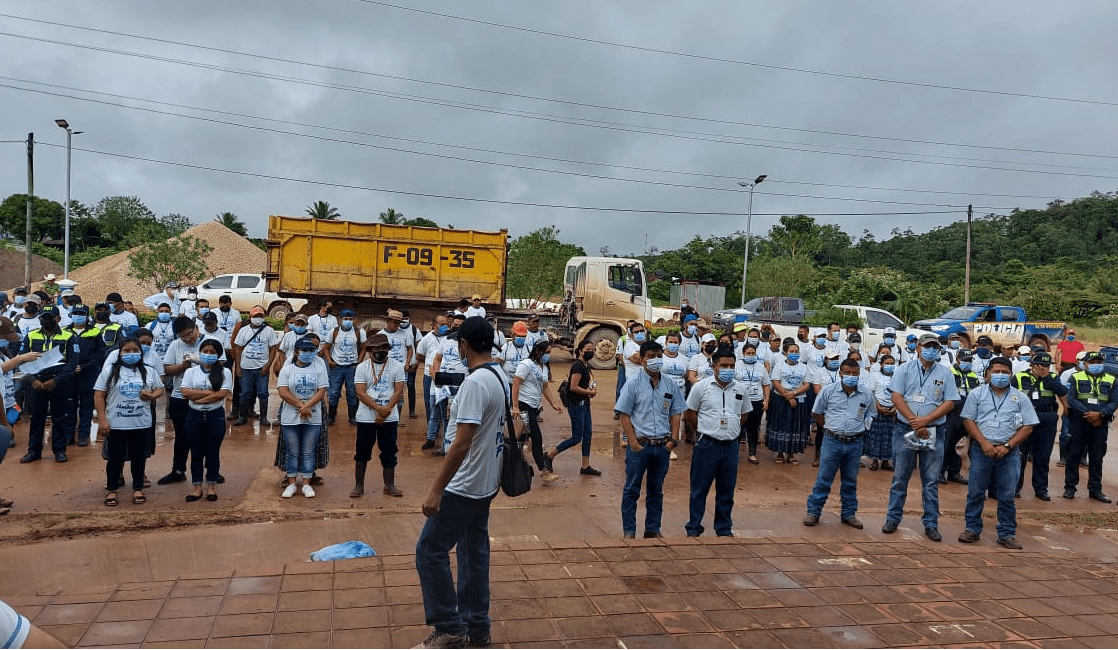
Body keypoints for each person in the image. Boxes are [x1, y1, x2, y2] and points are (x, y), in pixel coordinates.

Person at [414, 317, 505, 649]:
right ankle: (477, 626)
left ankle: (449, 626)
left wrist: (436, 489)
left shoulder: (475, 383)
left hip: (463, 485)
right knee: (473, 554)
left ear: (464, 345)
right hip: (486, 482)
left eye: (457, 343)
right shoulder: (499, 375)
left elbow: (461, 443)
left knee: (430, 551)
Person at [883, 333, 960, 542]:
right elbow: (896, 395)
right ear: (918, 348)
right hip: (904, 429)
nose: (931, 350)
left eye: (935, 347)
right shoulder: (904, 369)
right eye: (927, 346)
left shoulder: (946, 372)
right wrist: (913, 420)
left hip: (934, 431)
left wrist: (924, 421)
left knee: (931, 481)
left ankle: (931, 524)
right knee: (900, 478)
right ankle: (892, 518)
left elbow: (950, 402)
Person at [958, 357, 1039, 549]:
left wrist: (1008, 446)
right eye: (996, 372)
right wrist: (984, 443)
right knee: (976, 492)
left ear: (1011, 375)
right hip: (981, 450)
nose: (1000, 375)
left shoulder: (1020, 397)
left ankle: (1007, 533)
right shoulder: (976, 394)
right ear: (988, 374)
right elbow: (968, 420)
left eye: (1005, 372)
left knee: (1007, 495)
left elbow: (1028, 426)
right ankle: (972, 529)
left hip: (1009, 453)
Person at [616, 341, 685, 539]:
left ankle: (652, 529)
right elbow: (624, 414)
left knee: (656, 491)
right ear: (642, 359)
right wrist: (633, 443)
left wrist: (673, 440)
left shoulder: (669, 384)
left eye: (658, 356)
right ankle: (629, 531)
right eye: (651, 356)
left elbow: (676, 412)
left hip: (662, 447)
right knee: (632, 489)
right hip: (640, 446)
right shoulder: (633, 384)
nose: (655, 360)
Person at [684, 349, 750, 537]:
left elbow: (744, 413)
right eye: (724, 366)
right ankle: (694, 528)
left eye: (732, 366)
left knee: (726, 492)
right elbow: (690, 412)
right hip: (707, 446)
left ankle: (723, 529)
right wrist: (702, 430)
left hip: (730, 447)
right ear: (714, 366)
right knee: (699, 490)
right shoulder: (701, 387)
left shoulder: (740, 388)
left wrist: (733, 430)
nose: (728, 369)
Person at [804, 358, 874, 529]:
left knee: (850, 480)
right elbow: (817, 413)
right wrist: (830, 427)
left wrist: (860, 428)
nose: (851, 377)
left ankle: (849, 514)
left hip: (855, 443)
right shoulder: (828, 391)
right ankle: (813, 512)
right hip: (832, 441)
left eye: (855, 374)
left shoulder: (866, 394)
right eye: (848, 373)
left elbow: (871, 415)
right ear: (840, 373)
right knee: (824, 478)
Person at [95, 338, 164, 507]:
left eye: (135, 350)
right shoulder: (110, 371)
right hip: (116, 423)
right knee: (115, 458)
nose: (131, 354)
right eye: (127, 350)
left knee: (138, 458)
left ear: (141, 353)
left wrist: (152, 396)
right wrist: (102, 419)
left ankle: (138, 488)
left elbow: (160, 388)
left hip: (141, 423)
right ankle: (112, 490)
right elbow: (99, 395)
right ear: (119, 353)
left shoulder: (149, 371)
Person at [157, 316, 213, 485]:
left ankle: (212, 471)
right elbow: (167, 369)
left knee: (207, 435)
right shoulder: (176, 345)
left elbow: (221, 366)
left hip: (205, 398)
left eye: (189, 334)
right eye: (183, 337)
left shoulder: (211, 342)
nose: (187, 339)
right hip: (180, 398)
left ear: (196, 328)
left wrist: (200, 361)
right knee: (182, 436)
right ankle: (178, 470)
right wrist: (183, 366)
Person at [20, 305, 77, 464]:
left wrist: (56, 380)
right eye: (43, 317)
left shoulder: (68, 336)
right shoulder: (31, 336)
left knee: (59, 418)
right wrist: (32, 380)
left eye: (50, 317)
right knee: (36, 418)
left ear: (58, 319)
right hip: (36, 382)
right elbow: (21, 359)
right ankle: (34, 451)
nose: (46, 320)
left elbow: (72, 362)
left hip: (59, 382)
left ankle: (59, 451)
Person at [352, 333, 406, 497]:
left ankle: (390, 485)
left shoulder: (397, 366)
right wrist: (378, 408)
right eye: (377, 348)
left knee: (389, 450)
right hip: (366, 417)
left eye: (383, 348)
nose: (380, 351)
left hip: (389, 416)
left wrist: (385, 411)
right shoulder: (362, 368)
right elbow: (360, 393)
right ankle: (359, 485)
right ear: (370, 350)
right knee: (362, 451)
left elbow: (398, 391)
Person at [276, 337, 328, 498]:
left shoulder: (319, 368)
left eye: (311, 351)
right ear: (296, 352)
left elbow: (321, 391)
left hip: (313, 417)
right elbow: (283, 391)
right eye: (304, 351)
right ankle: (292, 483)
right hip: (290, 417)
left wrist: (307, 406)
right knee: (292, 451)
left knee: (308, 451)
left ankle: (306, 483)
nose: (307, 354)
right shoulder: (287, 369)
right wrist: (301, 406)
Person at [1063, 351, 1118, 502]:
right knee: (1073, 455)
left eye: (1098, 362)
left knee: (1097, 457)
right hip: (1080, 421)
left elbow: (1114, 401)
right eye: (1092, 362)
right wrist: (1089, 414)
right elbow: (1071, 399)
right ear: (1085, 364)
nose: (1096, 365)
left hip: (1100, 423)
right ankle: (1070, 488)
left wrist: (1100, 415)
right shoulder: (1075, 377)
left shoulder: (1112, 379)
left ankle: (1095, 490)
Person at [181, 339, 232, 502]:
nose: (208, 355)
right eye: (205, 351)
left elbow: (222, 394)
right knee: (196, 453)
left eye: (212, 352)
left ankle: (211, 487)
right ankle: (197, 488)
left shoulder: (225, 372)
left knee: (212, 453)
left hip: (215, 416)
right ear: (200, 352)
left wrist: (200, 397)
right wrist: (208, 394)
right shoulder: (191, 372)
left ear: (218, 355)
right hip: (194, 416)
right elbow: (185, 393)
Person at [1012, 351, 1067, 501]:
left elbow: (1063, 392)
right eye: (1041, 365)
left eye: (1047, 365)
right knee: (1020, 456)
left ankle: (1041, 489)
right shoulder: (1019, 377)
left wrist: (1047, 378)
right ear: (1032, 365)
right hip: (1026, 420)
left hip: (1047, 419)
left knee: (1042, 457)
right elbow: (1010, 398)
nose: (1044, 368)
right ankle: (1015, 487)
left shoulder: (1053, 378)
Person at [545, 339, 601, 477]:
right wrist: (589, 393)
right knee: (577, 437)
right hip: (576, 405)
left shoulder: (586, 366)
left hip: (585, 404)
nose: (590, 351)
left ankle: (585, 465)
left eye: (592, 349)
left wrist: (590, 391)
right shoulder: (577, 366)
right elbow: (573, 387)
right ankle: (550, 455)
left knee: (587, 435)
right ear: (580, 351)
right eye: (588, 349)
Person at [511, 340, 562, 482]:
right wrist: (515, 406)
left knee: (520, 439)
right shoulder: (526, 364)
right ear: (538, 351)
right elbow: (516, 383)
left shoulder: (544, 367)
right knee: (536, 438)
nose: (548, 356)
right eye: (547, 352)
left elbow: (545, 387)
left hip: (534, 407)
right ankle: (544, 471)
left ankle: (513, 467)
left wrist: (553, 403)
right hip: (524, 405)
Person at [64, 304, 105, 448]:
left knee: (86, 407)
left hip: (88, 374)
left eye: (81, 313)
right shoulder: (64, 331)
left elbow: (100, 353)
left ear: (87, 316)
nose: (78, 316)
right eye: (75, 313)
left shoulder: (94, 332)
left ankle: (83, 436)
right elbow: (61, 353)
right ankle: (69, 436)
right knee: (69, 406)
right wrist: (70, 367)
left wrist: (84, 366)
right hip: (69, 375)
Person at [765, 342, 812, 465]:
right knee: (781, 425)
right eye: (791, 351)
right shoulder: (779, 366)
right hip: (780, 399)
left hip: (799, 399)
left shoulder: (803, 367)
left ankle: (791, 454)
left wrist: (794, 393)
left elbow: (807, 384)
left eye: (797, 351)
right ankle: (780, 453)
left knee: (795, 426)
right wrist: (788, 396)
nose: (794, 354)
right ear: (785, 353)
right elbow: (776, 382)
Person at [428, 313, 468, 454]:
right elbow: (437, 359)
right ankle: (446, 447)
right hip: (444, 383)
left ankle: (457, 448)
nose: (456, 328)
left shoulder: (468, 342)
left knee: (458, 417)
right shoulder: (446, 340)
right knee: (445, 417)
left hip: (460, 383)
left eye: (460, 326)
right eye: (455, 325)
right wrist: (437, 376)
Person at [232, 306, 278, 427]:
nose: (258, 318)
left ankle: (263, 417)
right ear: (250, 317)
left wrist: (268, 365)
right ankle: (242, 416)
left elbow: (273, 348)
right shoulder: (243, 330)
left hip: (262, 368)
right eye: (255, 316)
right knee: (245, 393)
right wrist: (237, 366)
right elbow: (238, 349)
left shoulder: (269, 331)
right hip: (246, 367)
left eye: (260, 316)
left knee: (263, 393)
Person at [940, 350, 978, 485]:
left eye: (969, 360)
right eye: (965, 359)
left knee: (960, 444)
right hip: (952, 412)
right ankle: (940, 471)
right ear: (957, 359)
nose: (967, 362)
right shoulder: (949, 372)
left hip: (967, 413)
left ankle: (954, 472)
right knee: (947, 443)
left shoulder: (973, 375)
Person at [325, 309, 367, 425]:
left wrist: (359, 362)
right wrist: (329, 361)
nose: (348, 321)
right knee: (333, 392)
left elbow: (364, 348)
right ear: (340, 320)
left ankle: (352, 417)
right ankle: (331, 417)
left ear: (354, 320)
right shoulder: (334, 331)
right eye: (345, 319)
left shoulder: (359, 332)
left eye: (350, 319)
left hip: (351, 367)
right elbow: (326, 347)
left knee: (352, 392)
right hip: (337, 366)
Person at [735, 342, 769, 465]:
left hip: (756, 401)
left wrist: (766, 400)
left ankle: (752, 453)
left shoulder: (761, 367)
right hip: (740, 401)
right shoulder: (736, 365)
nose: (750, 355)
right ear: (743, 354)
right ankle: (734, 453)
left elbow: (766, 385)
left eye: (753, 353)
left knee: (754, 428)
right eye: (748, 353)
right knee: (738, 427)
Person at [863, 353, 897, 472]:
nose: (890, 366)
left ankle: (886, 461)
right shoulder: (875, 376)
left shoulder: (898, 376)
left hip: (893, 409)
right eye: (887, 364)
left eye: (892, 364)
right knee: (876, 436)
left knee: (889, 436)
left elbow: (902, 394)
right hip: (877, 408)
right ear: (881, 365)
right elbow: (870, 393)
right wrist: (878, 406)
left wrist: (895, 408)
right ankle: (875, 461)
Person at [417, 314, 450, 433]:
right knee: (430, 403)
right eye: (442, 324)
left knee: (443, 404)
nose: (445, 326)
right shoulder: (427, 339)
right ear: (434, 325)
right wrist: (430, 362)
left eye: (446, 324)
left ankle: (441, 429)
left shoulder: (449, 338)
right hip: (429, 376)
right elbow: (419, 355)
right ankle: (431, 431)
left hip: (444, 376)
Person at [810, 349, 843, 467]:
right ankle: (818, 456)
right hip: (824, 407)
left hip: (839, 407)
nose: (834, 361)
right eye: (832, 359)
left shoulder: (841, 371)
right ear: (826, 360)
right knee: (821, 432)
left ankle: (835, 458)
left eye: (836, 359)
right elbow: (817, 389)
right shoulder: (820, 372)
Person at [377, 309, 412, 418]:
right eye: (395, 322)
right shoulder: (380, 335)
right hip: (385, 369)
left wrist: (407, 363)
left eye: (398, 323)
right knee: (384, 392)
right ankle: (384, 414)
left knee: (399, 394)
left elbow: (410, 348)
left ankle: (397, 417)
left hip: (401, 369)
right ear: (388, 321)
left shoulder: (404, 334)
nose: (397, 325)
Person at [400, 309, 421, 419]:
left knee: (411, 386)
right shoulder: (396, 330)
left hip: (411, 365)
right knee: (396, 388)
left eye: (406, 319)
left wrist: (416, 362)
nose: (404, 321)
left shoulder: (414, 330)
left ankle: (412, 411)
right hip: (398, 365)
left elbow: (419, 346)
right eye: (402, 319)